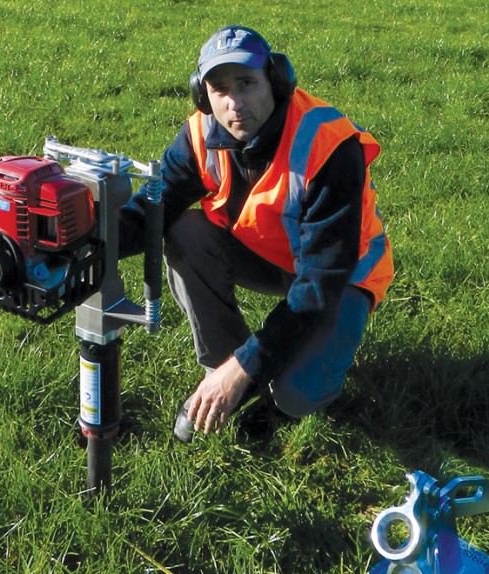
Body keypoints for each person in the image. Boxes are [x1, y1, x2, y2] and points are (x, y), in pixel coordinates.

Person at [118, 25, 393, 442]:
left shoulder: (328, 144)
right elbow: (149, 215)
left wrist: (249, 362)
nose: (234, 103)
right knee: (182, 229)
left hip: (341, 278)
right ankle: (226, 375)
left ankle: (264, 391)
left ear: (276, 81)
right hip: (270, 256)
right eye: (219, 89)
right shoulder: (199, 135)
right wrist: (80, 242)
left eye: (246, 83)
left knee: (297, 393)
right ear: (202, 95)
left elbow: (319, 285)